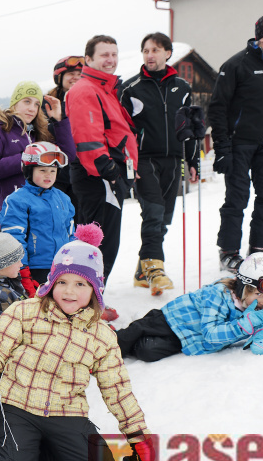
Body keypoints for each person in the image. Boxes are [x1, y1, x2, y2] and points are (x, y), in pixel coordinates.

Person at [0, 224, 154, 461]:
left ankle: (42, 454)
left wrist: (137, 434)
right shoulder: (23, 312)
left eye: (80, 284)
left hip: (66, 411)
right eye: (62, 282)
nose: (69, 291)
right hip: (16, 404)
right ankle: (23, 452)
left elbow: (117, 387)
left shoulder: (102, 336)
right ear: (52, 282)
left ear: (95, 289)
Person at [209, 13, 263, 272]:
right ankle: (228, 252)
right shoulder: (236, 65)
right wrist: (222, 148)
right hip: (239, 144)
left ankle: (260, 250)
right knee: (237, 198)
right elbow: (218, 108)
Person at [120, 33, 195, 295]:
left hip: (173, 160)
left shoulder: (183, 88)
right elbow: (122, 130)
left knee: (162, 218)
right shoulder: (130, 88)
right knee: (152, 212)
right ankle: (154, 269)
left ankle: (142, 270)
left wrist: (193, 160)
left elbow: (189, 128)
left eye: (155, 50)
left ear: (167, 53)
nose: (149, 55)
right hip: (143, 159)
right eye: (146, 50)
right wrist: (127, 163)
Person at [117, 253, 263, 362]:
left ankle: (133, 347)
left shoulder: (259, 310)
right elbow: (210, 334)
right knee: (133, 333)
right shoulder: (218, 294)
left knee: (147, 352)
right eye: (259, 294)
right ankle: (107, 345)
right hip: (172, 319)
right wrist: (243, 326)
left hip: (188, 339)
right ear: (244, 288)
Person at [66, 35, 138, 287]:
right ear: (88, 59)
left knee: (102, 244)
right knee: (99, 247)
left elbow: (116, 132)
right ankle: (87, 300)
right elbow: (87, 138)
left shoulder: (105, 89)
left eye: (114, 54)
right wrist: (111, 172)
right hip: (99, 177)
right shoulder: (86, 89)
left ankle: (91, 297)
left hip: (108, 176)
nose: (111, 60)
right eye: (104, 55)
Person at [0, 81, 76, 210]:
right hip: (15, 211)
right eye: (27, 101)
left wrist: (59, 120)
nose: (32, 108)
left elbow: (67, 155)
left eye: (37, 104)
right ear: (14, 103)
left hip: (43, 209)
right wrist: (26, 159)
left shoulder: (39, 131)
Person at [0, 141, 74, 289]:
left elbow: (70, 231)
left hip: (62, 265)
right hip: (34, 270)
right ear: (29, 171)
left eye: (53, 171)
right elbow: (14, 237)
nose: (48, 175)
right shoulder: (17, 200)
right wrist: (23, 272)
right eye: (42, 170)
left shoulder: (63, 198)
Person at [48, 56, 85, 214]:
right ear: (60, 77)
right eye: (71, 74)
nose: (76, 78)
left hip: (84, 173)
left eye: (80, 74)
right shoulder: (49, 104)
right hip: (57, 176)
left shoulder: (90, 102)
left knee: (82, 221)